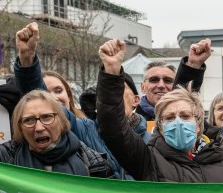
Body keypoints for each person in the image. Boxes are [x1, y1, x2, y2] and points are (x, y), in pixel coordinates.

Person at [96, 39, 223, 183]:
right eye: (169, 118)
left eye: (185, 116)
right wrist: (111, 72)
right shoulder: (148, 162)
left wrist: (192, 66)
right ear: (159, 127)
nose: (178, 122)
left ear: (199, 124)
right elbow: (113, 126)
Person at [11, 23, 137, 179]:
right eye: (48, 93)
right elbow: (37, 97)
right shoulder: (80, 129)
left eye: (58, 91)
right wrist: (27, 57)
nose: (54, 98)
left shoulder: (148, 138)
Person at [0, 91, 115, 177]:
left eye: (46, 117)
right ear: (20, 128)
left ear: (61, 122)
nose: (39, 128)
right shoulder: (5, 157)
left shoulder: (95, 164)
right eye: (29, 120)